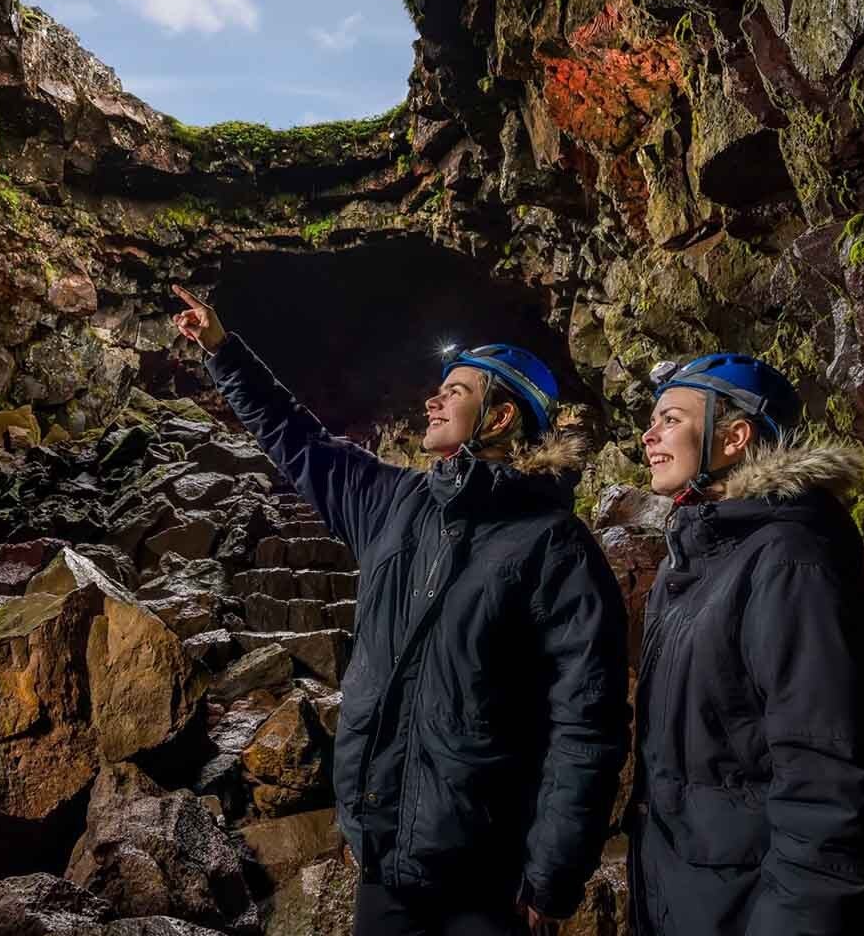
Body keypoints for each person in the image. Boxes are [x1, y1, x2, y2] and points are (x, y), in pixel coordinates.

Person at [171, 286, 629, 936]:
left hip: (489, 878)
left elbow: (588, 725)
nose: (432, 399)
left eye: (457, 391)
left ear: (499, 418)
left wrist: (553, 877)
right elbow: (295, 438)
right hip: (385, 861)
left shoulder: (554, 546)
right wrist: (221, 349)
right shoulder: (394, 502)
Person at [625, 353, 864, 935]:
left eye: (670, 418)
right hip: (693, 893)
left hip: (750, 907)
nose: (648, 435)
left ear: (735, 436)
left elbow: (826, 782)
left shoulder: (792, 563)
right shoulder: (702, 561)